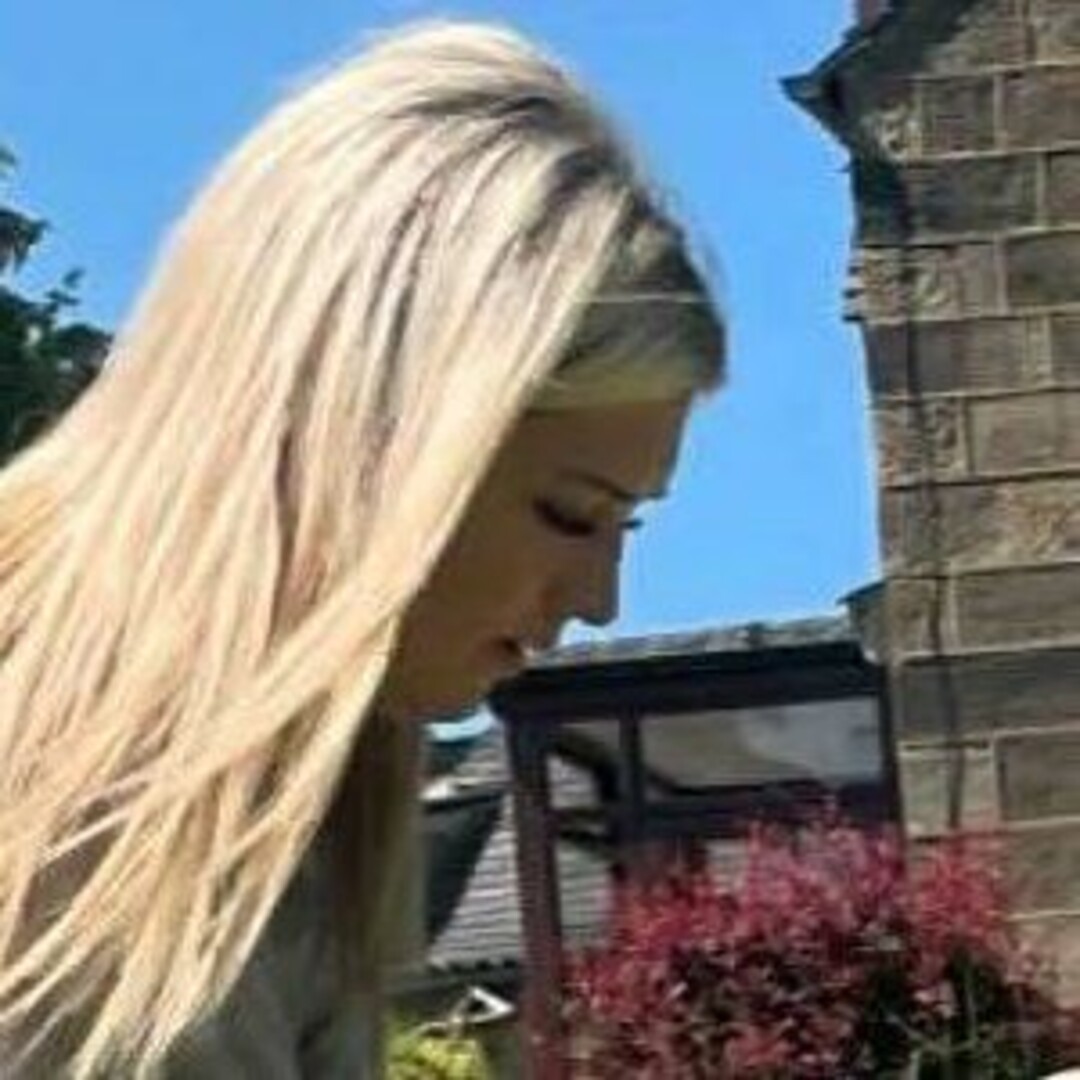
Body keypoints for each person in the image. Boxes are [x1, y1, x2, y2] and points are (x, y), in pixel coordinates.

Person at [0, 19, 724, 1077]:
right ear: (376, 439)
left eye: (627, 527)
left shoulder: (285, 798)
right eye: (571, 514)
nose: (598, 600)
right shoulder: (88, 821)